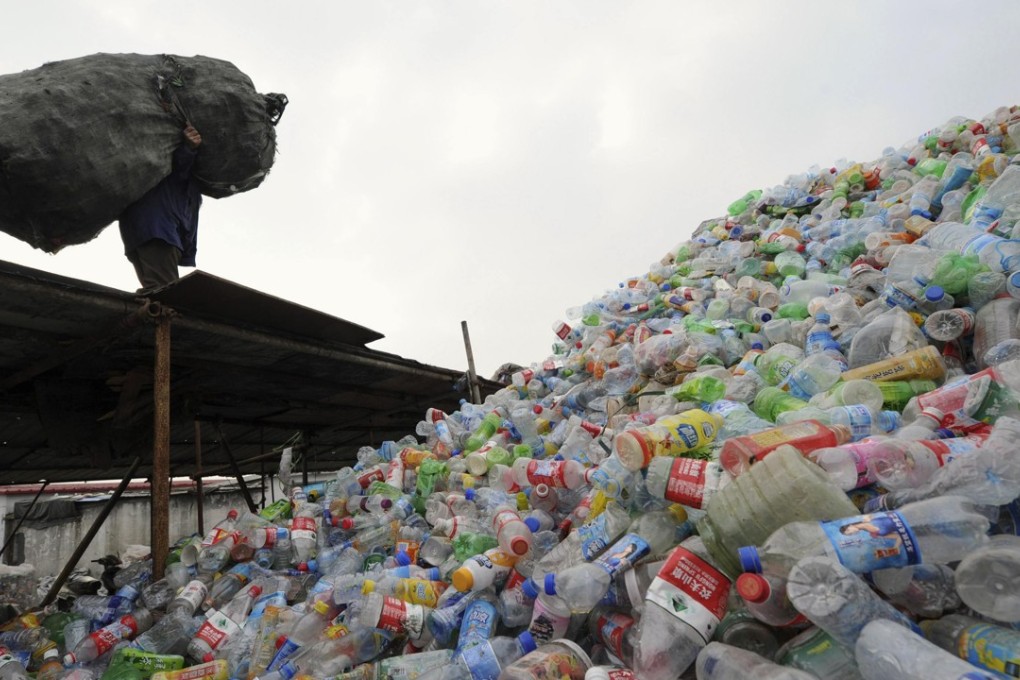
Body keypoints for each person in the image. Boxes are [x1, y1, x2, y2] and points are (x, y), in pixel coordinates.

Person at [119, 124, 203, 291]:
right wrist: (189, 148)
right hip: (159, 233)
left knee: (154, 290)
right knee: (165, 293)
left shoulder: (140, 176)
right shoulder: (170, 176)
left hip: (139, 234)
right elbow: (179, 167)